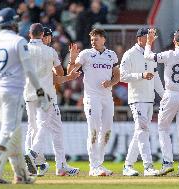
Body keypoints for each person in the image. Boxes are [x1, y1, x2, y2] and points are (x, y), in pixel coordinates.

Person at [0, 8, 50, 184]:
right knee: (8, 132)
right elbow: (29, 70)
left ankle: (21, 175)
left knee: (15, 135)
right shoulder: (19, 41)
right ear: (13, 23)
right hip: (13, 92)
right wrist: (40, 92)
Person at [24, 23, 80, 176]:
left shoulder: (23, 50)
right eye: (48, 36)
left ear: (30, 34)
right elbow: (59, 76)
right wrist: (70, 73)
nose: (49, 39)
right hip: (46, 94)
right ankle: (33, 155)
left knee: (40, 128)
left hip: (29, 93)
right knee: (43, 126)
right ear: (43, 35)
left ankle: (58, 165)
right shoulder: (50, 52)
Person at [144, 26, 179, 176]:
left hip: (171, 94)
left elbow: (148, 56)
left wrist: (149, 42)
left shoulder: (170, 54)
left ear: (174, 40)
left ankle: (168, 162)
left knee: (163, 128)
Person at [67, 28, 120, 176]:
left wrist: (110, 83)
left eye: (96, 38)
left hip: (107, 97)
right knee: (94, 130)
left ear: (103, 39)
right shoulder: (85, 54)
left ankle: (99, 164)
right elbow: (70, 73)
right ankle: (93, 166)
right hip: (92, 97)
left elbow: (117, 76)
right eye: (91, 39)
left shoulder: (112, 55)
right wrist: (72, 59)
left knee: (107, 131)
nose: (93, 41)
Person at [119, 28, 164, 177]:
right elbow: (122, 76)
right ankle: (148, 167)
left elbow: (156, 76)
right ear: (140, 38)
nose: (152, 39)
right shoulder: (129, 54)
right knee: (143, 131)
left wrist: (164, 96)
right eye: (148, 37)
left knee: (139, 133)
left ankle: (127, 165)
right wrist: (141, 75)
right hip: (137, 99)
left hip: (149, 99)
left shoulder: (150, 54)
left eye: (152, 37)